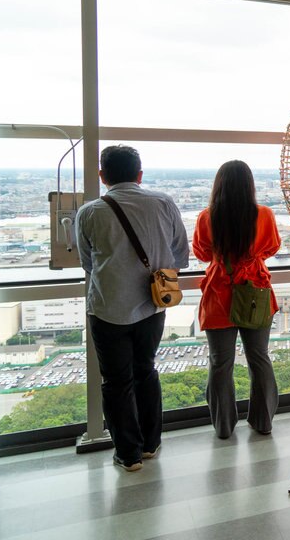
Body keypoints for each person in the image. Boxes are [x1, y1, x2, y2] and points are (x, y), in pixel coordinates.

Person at [76, 145, 189, 472]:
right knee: (146, 370)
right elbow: (180, 254)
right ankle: (151, 443)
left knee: (116, 381)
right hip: (154, 306)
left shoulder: (90, 212)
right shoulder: (163, 202)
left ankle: (128, 453)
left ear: (102, 176)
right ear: (140, 174)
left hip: (108, 308)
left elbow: (87, 263)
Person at [193, 160, 280, 439]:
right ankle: (263, 422)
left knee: (221, 363)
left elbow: (202, 254)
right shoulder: (264, 214)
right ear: (250, 185)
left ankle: (224, 426)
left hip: (220, 292)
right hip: (254, 290)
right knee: (259, 358)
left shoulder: (207, 217)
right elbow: (273, 247)